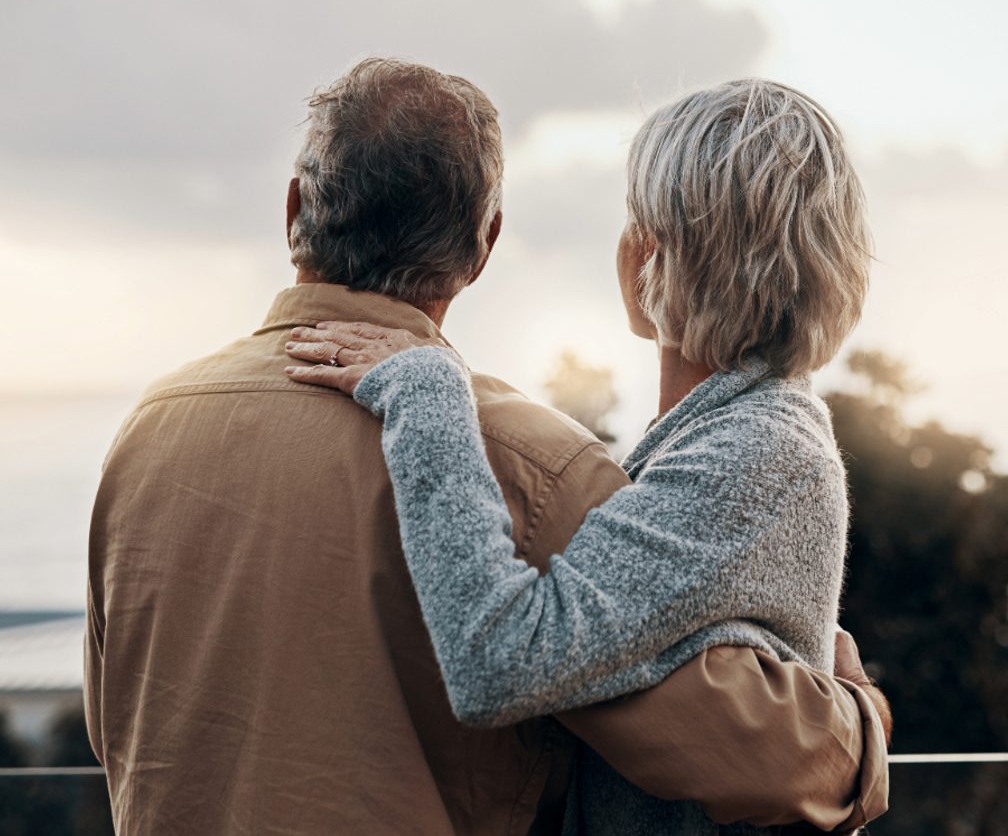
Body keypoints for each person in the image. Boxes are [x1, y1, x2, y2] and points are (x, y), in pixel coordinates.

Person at [86, 59, 888, 836]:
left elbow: (111, 719)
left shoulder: (149, 429)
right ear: (484, 243)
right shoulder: (534, 466)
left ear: (294, 206)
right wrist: (852, 728)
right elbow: (739, 747)